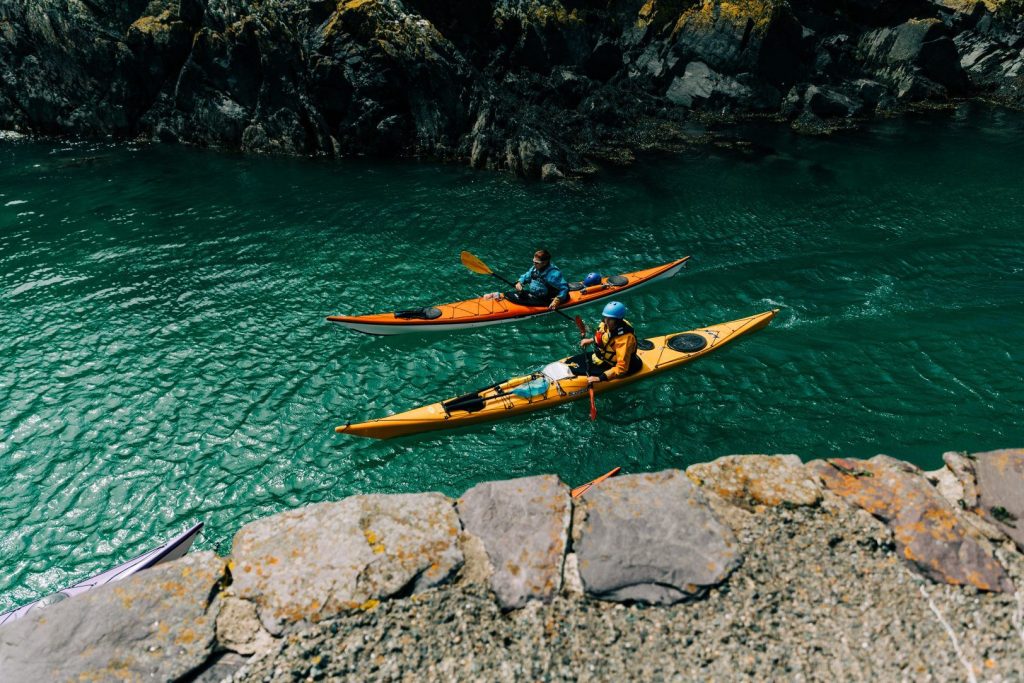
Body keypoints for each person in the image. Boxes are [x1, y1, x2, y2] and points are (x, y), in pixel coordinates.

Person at [570, 301, 642, 384]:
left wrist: (600, 378)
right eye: (605, 317)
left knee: (576, 370)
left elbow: (621, 368)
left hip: (616, 366)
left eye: (610, 319)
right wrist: (591, 340)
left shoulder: (624, 339)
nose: (606, 321)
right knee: (570, 362)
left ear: (618, 321)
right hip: (601, 358)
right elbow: (604, 337)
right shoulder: (606, 324)